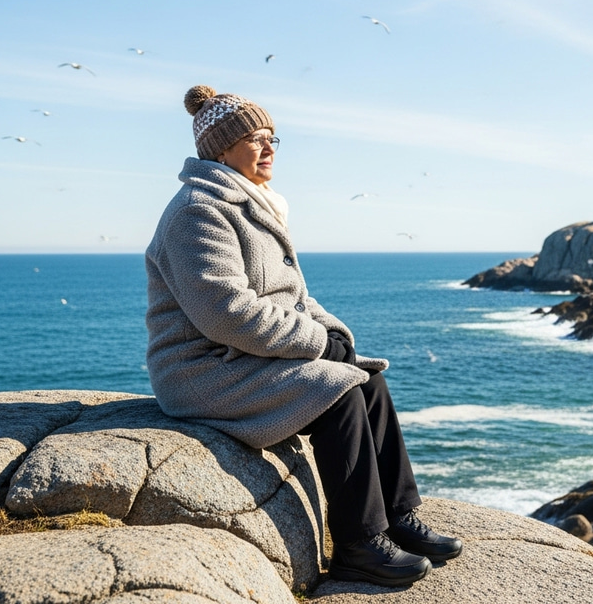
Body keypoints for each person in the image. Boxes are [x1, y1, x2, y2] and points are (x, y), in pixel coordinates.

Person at [145, 85, 462, 587]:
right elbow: (227, 315)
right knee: (337, 394)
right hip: (205, 370)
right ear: (220, 150)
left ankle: (397, 518)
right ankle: (359, 545)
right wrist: (317, 346)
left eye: (272, 137)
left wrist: (337, 336)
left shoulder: (257, 204)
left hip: (246, 358)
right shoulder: (197, 212)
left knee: (368, 381)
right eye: (255, 138)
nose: (269, 148)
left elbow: (294, 297)